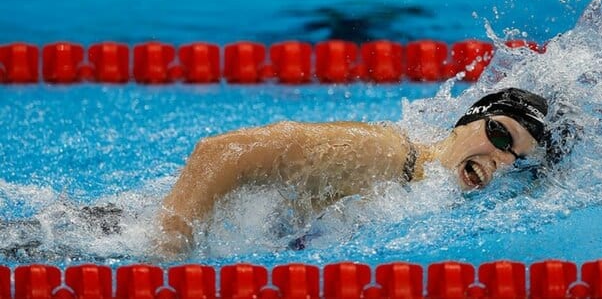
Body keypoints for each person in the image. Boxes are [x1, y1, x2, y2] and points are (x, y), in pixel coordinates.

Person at [155, 87, 553, 257]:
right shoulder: (381, 154)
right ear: (468, 121)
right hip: (120, 243)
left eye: (516, 160)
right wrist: (168, 252)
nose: (500, 160)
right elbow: (219, 152)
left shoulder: (429, 191)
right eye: (500, 135)